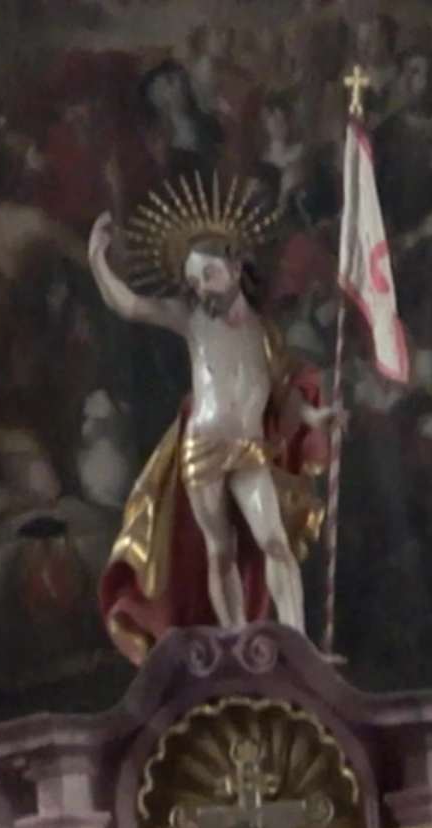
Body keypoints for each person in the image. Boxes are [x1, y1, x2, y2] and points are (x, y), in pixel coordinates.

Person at [87, 182, 341, 657]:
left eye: (208, 274)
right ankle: (236, 643)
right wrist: (97, 260)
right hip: (203, 448)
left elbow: (281, 394)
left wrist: (315, 415)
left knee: (274, 542)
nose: (202, 287)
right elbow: (129, 304)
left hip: (249, 448)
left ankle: (298, 645)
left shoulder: (264, 332)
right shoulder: (191, 320)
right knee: (219, 550)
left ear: (235, 267)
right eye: (195, 280)